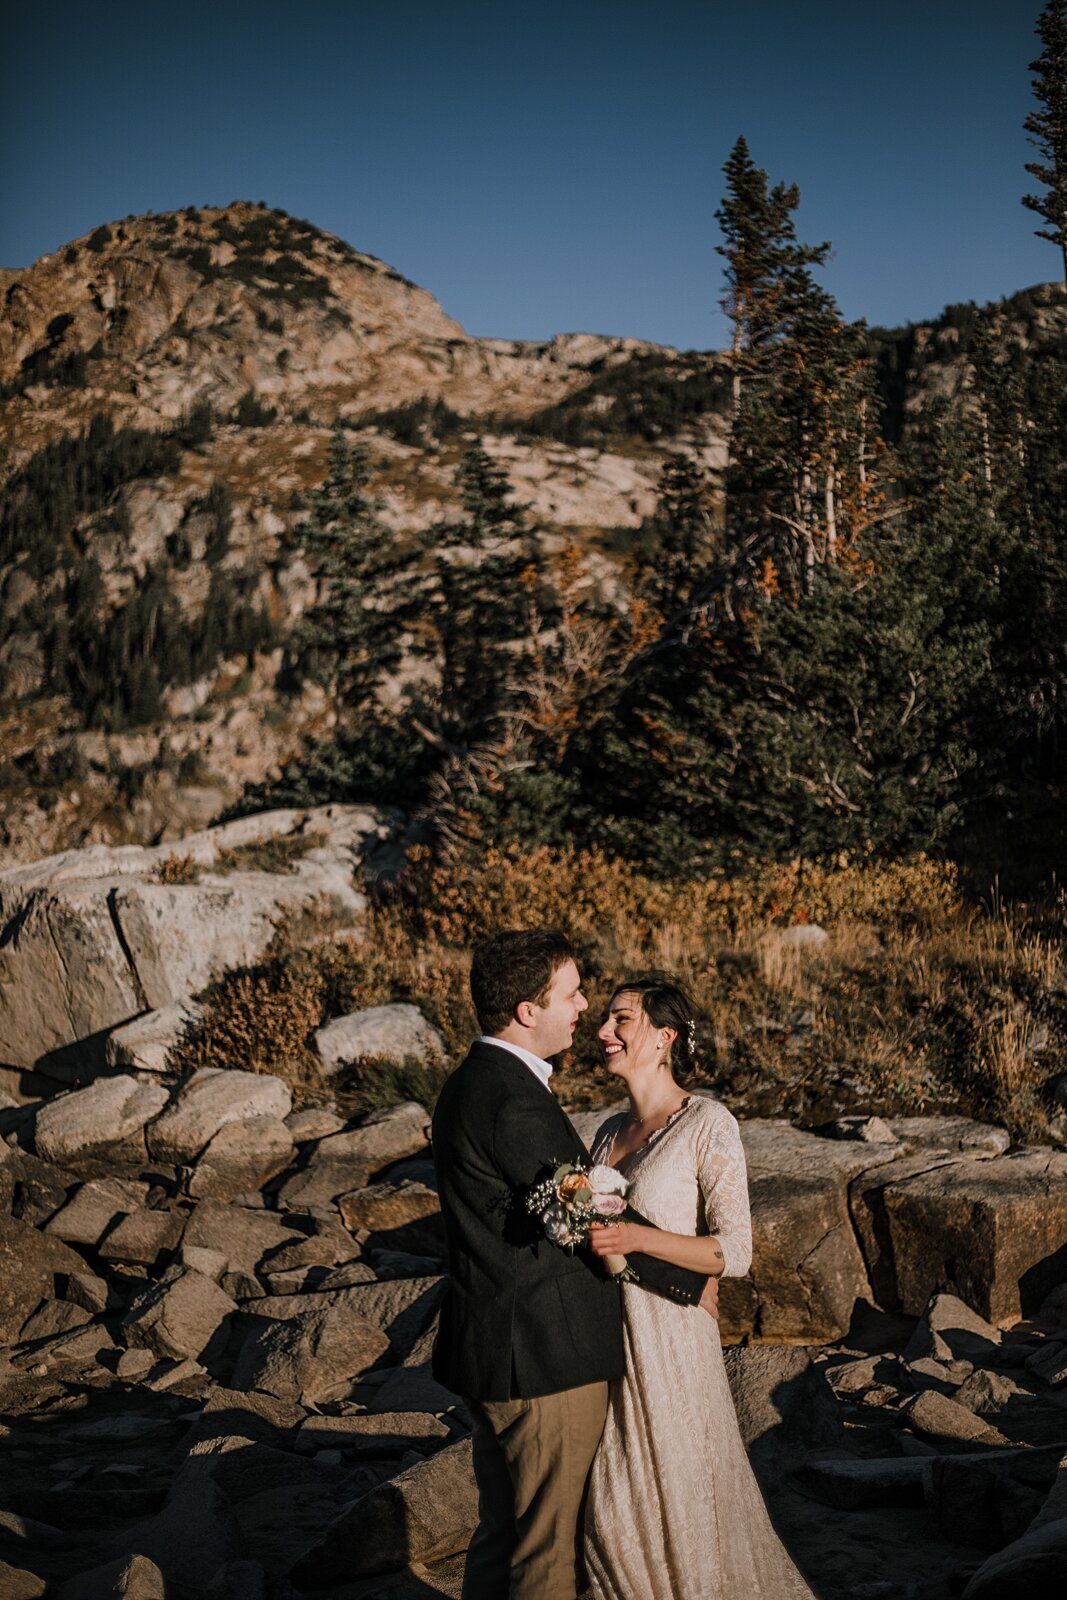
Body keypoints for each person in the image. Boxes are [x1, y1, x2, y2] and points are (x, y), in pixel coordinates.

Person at [431, 930, 714, 1600]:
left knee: (505, 1532)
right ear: (527, 1011)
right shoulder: (510, 1098)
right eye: (571, 992)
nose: (583, 1006)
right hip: (540, 1355)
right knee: (549, 1550)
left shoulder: (473, 1082)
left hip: (495, 1344)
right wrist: (691, 1280)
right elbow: (585, 1214)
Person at [583, 973, 816, 1600]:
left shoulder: (707, 1123)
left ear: (665, 1037)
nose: (603, 1031)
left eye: (620, 1020)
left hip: (673, 1338)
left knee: (684, 1496)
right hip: (611, 1335)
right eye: (605, 1019)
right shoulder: (605, 1133)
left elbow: (735, 1251)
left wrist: (640, 1239)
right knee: (610, 1507)